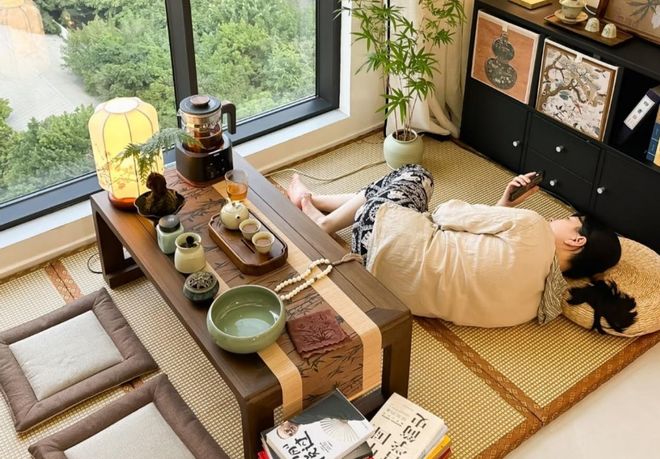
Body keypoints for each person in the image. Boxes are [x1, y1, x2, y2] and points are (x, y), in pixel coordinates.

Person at [287, 164, 622, 327]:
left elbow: (446, 214)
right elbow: (476, 258)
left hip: (379, 238)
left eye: (567, 219)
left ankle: (321, 222)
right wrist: (503, 207)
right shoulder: (534, 308)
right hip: (385, 291)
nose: (555, 218)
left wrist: (505, 212)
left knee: (417, 176)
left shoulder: (534, 227)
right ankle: (315, 201)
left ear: (576, 239)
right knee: (402, 201)